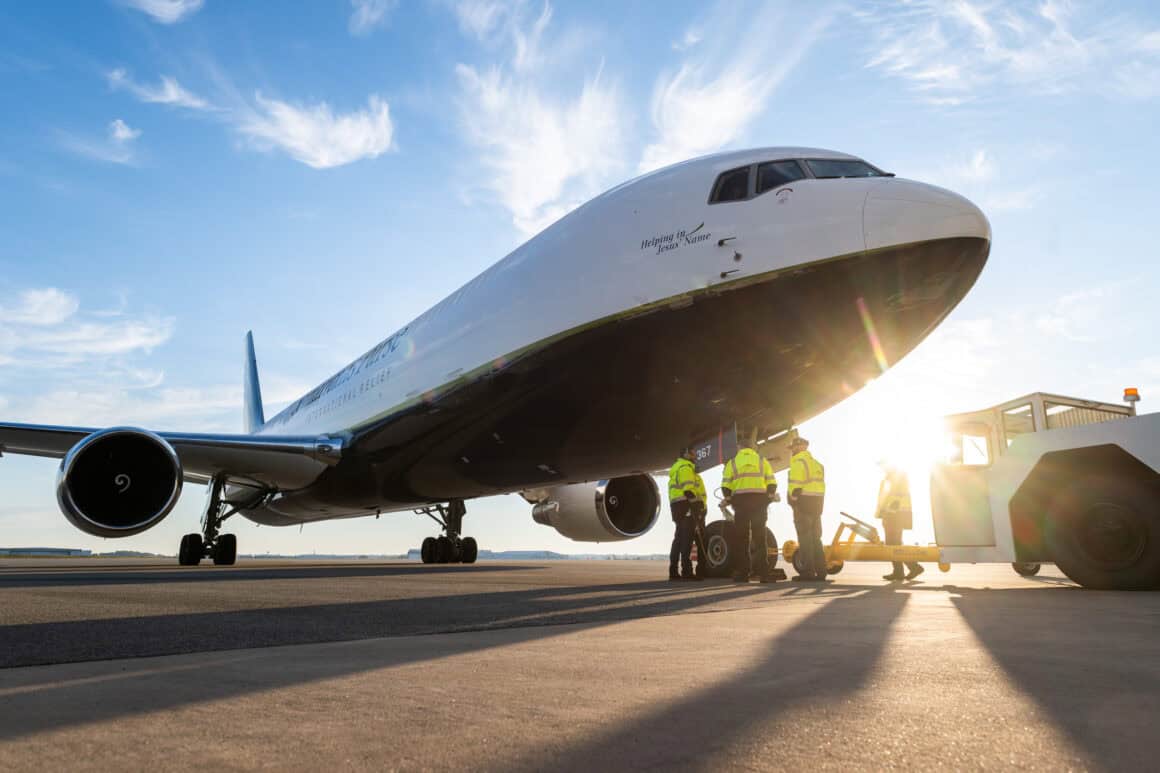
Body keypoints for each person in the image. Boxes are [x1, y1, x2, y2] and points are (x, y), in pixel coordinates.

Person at [720, 427, 779, 583]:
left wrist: (728, 498)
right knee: (760, 539)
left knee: (742, 539)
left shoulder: (732, 463)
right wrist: (769, 496)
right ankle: (764, 574)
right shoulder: (762, 461)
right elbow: (772, 483)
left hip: (740, 504)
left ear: (739, 448)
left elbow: (725, 485)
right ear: (752, 448)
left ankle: (743, 573)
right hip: (760, 503)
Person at [788, 436, 827, 581]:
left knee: (805, 540)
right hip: (817, 506)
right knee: (816, 539)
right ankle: (821, 571)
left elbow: (796, 487)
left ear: (799, 447)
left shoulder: (798, 462)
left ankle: (808, 572)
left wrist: (793, 501)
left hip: (803, 506)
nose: (792, 450)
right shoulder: (818, 464)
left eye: (793, 447)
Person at [876, 462, 924, 581]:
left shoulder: (896, 478)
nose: (882, 468)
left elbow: (896, 498)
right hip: (893, 515)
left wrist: (887, 513)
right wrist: (881, 513)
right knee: (894, 544)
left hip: (895, 516)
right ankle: (905, 569)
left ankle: (909, 568)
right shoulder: (892, 478)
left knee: (893, 544)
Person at [667, 446, 706, 581]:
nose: (695, 455)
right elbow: (688, 490)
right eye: (693, 452)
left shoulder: (679, 468)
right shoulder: (685, 468)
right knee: (686, 540)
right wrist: (697, 506)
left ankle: (673, 570)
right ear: (686, 454)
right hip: (686, 506)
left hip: (678, 507)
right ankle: (687, 571)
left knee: (679, 539)